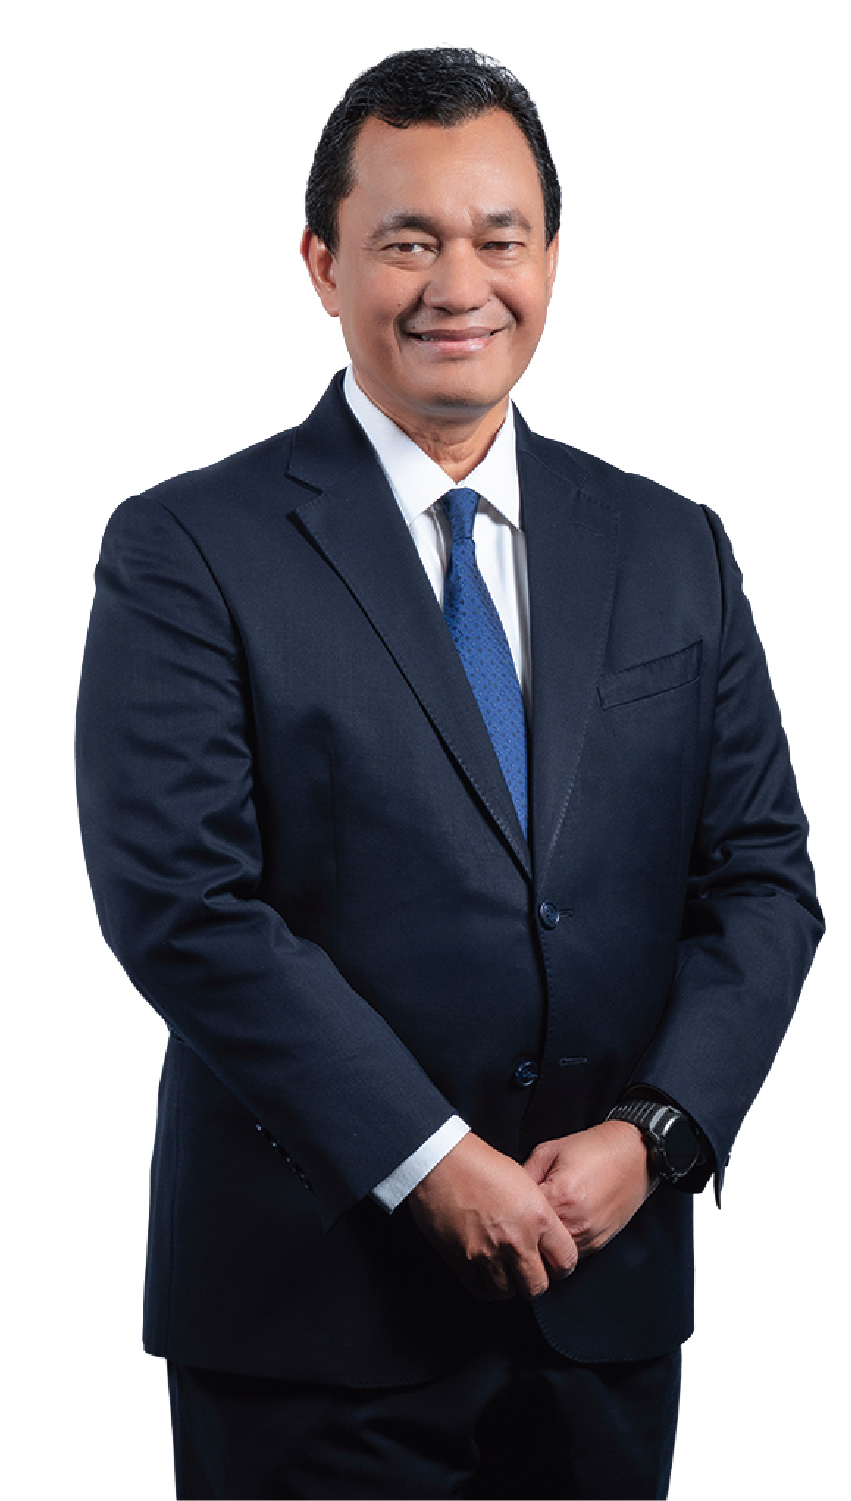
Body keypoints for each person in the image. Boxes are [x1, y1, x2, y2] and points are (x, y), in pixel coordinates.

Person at [75, 46, 823, 1501]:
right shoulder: (188, 549)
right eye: (408, 241)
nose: (458, 285)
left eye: (500, 238)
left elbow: (762, 884)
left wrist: (656, 1136)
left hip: (603, 1297)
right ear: (324, 263)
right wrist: (426, 1158)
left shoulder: (672, 545)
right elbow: (184, 903)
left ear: (553, 259)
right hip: (311, 1313)